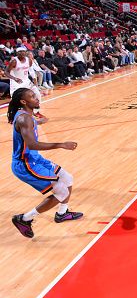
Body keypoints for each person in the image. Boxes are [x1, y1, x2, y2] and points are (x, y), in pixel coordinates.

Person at [8, 88, 83, 238]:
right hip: (26, 164)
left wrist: (38, 121)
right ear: (23, 102)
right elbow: (32, 145)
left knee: (68, 178)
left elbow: (28, 128)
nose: (36, 98)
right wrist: (61, 144)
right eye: (32, 97)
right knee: (62, 191)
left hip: (35, 159)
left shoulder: (28, 116)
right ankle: (24, 219)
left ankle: (62, 213)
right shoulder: (25, 119)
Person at [5, 48, 47, 122]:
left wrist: (34, 79)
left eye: (23, 51)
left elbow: (30, 70)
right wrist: (14, 78)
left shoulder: (29, 60)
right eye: (20, 52)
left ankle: (36, 112)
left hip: (26, 81)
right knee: (15, 100)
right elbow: (6, 72)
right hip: (16, 83)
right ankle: (11, 116)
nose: (22, 53)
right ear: (17, 53)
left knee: (37, 94)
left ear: (25, 52)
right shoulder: (14, 61)